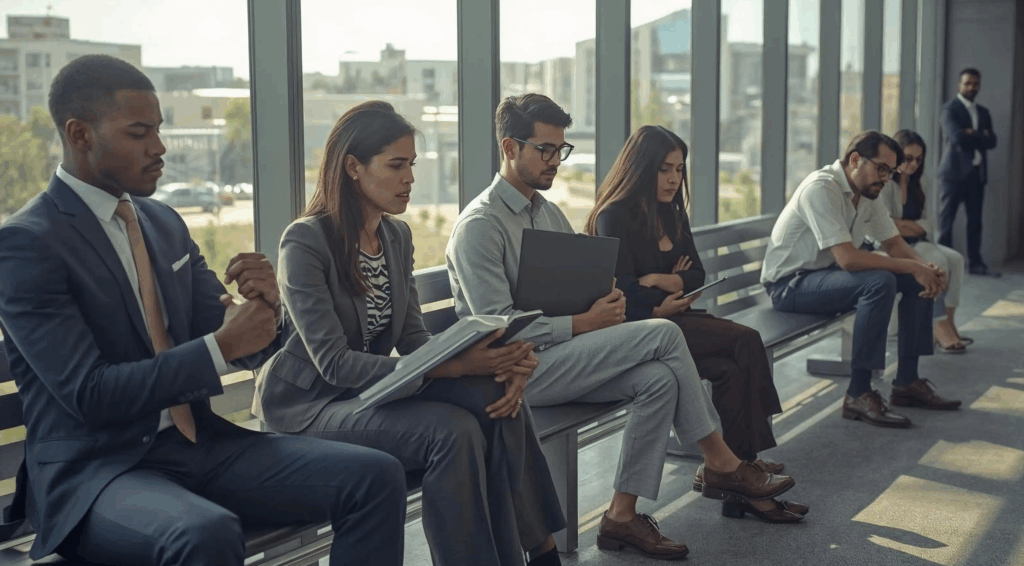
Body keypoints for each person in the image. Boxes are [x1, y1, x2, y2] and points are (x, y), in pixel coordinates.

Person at [0, 56, 407, 566]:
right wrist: (221, 346)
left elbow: (241, 346)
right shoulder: (27, 244)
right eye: (139, 133)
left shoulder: (163, 222)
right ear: (80, 134)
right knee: (205, 533)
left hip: (200, 447)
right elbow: (90, 393)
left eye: (159, 130)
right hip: (99, 473)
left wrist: (266, 312)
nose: (159, 147)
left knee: (375, 475)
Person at [447, 93, 797, 560]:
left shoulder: (547, 213)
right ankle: (720, 461)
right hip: (516, 374)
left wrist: (601, 297)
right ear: (510, 148)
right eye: (544, 150)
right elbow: (502, 331)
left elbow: (573, 288)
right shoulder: (480, 226)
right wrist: (584, 320)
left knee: (657, 380)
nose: (556, 161)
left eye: (561, 149)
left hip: (562, 356)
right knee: (664, 333)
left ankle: (621, 517)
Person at [253, 100, 566, 566]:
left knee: (497, 401)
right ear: (353, 168)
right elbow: (334, 364)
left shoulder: (396, 238)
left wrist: (503, 360)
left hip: (373, 395)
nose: (410, 179)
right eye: (396, 165)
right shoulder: (305, 241)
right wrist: (453, 365)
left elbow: (416, 340)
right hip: (310, 406)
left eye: (412, 165)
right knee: (451, 431)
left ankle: (539, 551)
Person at [586, 125, 807, 523]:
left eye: (679, 170)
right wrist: (659, 301)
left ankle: (740, 485)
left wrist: (660, 281)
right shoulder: (612, 216)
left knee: (729, 369)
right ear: (641, 168)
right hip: (642, 332)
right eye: (664, 169)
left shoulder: (671, 212)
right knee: (746, 340)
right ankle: (747, 471)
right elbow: (622, 293)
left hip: (675, 320)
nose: (673, 179)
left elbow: (696, 276)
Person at [761, 130, 962, 430]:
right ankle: (858, 392)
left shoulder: (868, 193)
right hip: (791, 285)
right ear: (855, 160)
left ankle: (907, 381)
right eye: (882, 168)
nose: (886, 177)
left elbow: (893, 243)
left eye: (891, 171)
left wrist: (925, 270)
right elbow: (849, 259)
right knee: (880, 281)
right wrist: (912, 266)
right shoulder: (822, 188)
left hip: (826, 276)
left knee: (913, 280)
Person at [877, 130, 971, 353]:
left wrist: (906, 224)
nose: (913, 164)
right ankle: (938, 325)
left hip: (918, 240)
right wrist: (912, 224)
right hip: (891, 244)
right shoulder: (885, 183)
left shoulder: (921, 183)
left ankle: (948, 321)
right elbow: (885, 225)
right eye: (908, 158)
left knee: (956, 259)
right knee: (938, 259)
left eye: (919, 159)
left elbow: (928, 223)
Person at [938, 68, 999, 277]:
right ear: (959, 85)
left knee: (975, 223)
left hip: (976, 175)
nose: (971, 87)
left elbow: (993, 141)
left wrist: (973, 133)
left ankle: (976, 264)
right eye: (967, 83)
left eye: (975, 84)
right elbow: (957, 137)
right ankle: (942, 264)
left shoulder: (983, 112)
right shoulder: (949, 109)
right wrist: (979, 134)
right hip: (953, 175)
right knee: (946, 222)